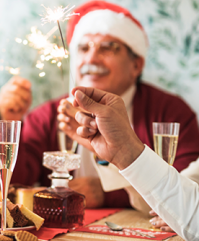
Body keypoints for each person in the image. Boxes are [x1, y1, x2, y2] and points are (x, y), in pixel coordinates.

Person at [0, 0, 199, 209]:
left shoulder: (170, 114)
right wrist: (9, 123)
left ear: (136, 64)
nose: (92, 58)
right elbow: (10, 185)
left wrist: (110, 193)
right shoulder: (50, 115)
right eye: (83, 48)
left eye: (107, 48)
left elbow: (186, 191)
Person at [71, 86, 199, 241]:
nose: (91, 60)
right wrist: (176, 209)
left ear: (136, 66)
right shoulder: (54, 110)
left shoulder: (169, 107)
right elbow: (184, 191)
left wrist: (107, 192)